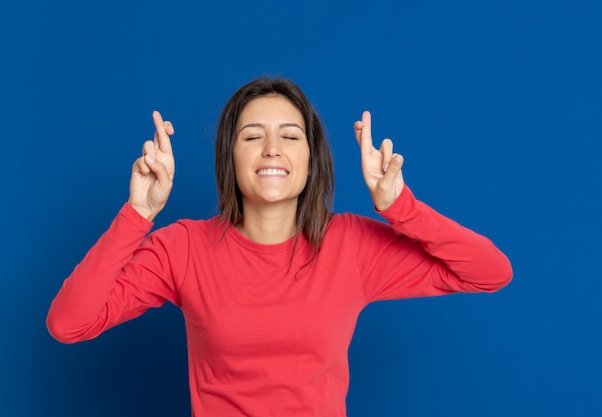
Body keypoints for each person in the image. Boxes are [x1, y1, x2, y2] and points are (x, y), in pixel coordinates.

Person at [47, 77, 512, 416]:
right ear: (231, 157)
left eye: (290, 136)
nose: (272, 149)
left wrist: (399, 206)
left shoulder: (351, 244)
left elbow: (490, 271)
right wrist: (138, 215)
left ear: (312, 160)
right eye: (252, 137)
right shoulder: (183, 248)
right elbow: (69, 323)